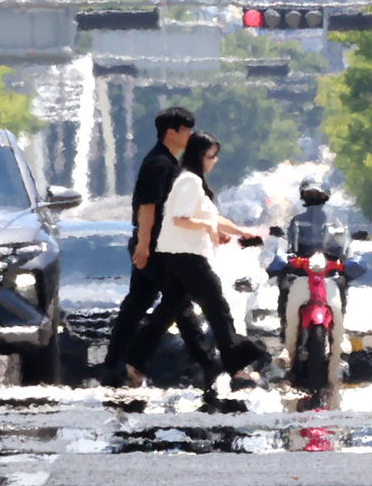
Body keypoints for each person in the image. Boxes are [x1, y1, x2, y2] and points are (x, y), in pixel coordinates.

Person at [121, 132, 266, 409]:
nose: (215, 161)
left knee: (166, 312)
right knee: (217, 308)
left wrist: (239, 231)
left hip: (179, 255)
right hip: (187, 257)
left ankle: (133, 362)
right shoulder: (189, 181)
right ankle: (236, 367)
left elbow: (211, 217)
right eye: (211, 156)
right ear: (200, 156)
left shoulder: (191, 182)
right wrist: (209, 228)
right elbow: (181, 218)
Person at [101, 107, 212, 388]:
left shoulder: (168, 163)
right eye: (186, 130)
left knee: (137, 305)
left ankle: (115, 365)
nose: (190, 135)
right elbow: (147, 207)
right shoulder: (159, 164)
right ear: (170, 133)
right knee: (179, 303)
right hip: (155, 247)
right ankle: (208, 363)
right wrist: (143, 245)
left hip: (156, 244)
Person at [269, 178, 359, 373]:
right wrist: (287, 259)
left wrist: (345, 261)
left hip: (328, 275)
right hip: (300, 274)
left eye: (318, 194)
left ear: (325, 196)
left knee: (342, 288)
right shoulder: (296, 221)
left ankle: (340, 337)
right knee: (285, 290)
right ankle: (287, 345)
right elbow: (286, 245)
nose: (314, 197)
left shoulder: (336, 222)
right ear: (303, 196)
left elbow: (345, 248)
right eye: (310, 193)